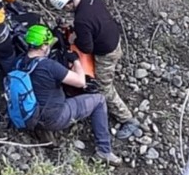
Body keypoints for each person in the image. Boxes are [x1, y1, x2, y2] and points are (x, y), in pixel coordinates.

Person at [48, 0, 141, 140]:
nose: (65, 10)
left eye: (64, 8)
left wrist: (74, 39)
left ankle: (128, 119)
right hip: (114, 39)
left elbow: (87, 47)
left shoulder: (81, 21)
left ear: (68, 4)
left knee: (103, 88)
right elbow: (94, 21)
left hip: (107, 53)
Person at [19, 24, 121, 164]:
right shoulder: (49, 66)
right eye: (48, 44)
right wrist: (75, 61)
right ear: (43, 46)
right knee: (99, 100)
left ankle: (43, 132)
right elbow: (80, 81)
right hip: (55, 117)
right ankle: (104, 150)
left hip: (30, 116)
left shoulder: (19, 63)